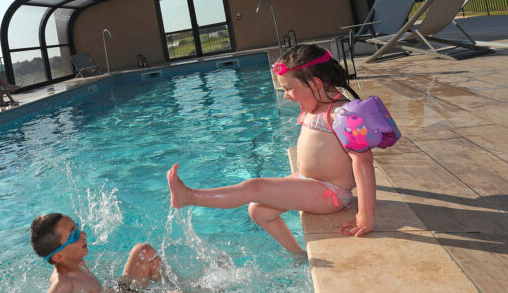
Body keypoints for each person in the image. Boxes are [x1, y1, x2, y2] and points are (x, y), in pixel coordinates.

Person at [167, 44, 392, 253]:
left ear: (315, 84)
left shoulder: (340, 114)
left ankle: (189, 196)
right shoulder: (317, 106)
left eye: (289, 88)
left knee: (254, 187)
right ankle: (298, 254)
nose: (285, 95)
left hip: (330, 193)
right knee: (258, 210)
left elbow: (362, 162)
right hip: (307, 180)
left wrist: (365, 214)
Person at [27, 213, 188, 293]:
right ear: (58, 257)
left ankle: (187, 285)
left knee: (143, 251)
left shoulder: (76, 261)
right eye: (74, 235)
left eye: (78, 228)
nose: (83, 233)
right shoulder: (63, 284)